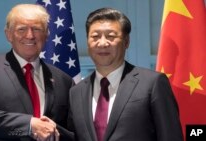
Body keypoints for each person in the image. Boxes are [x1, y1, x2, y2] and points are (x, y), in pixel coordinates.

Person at [69, 7, 184, 141]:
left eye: (110, 36)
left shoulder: (152, 83)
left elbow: (171, 136)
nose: (102, 43)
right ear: (87, 42)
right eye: (95, 36)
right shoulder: (76, 92)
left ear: (126, 42)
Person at [0, 4, 74, 141]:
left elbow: (73, 132)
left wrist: (52, 132)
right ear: (9, 35)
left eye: (37, 29)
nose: (30, 35)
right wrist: (30, 124)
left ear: (47, 35)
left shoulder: (64, 80)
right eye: (21, 29)